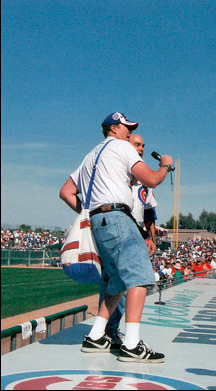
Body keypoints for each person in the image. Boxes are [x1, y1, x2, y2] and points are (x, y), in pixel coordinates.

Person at [59, 111, 173, 363]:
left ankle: (96, 335)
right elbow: (152, 180)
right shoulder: (122, 148)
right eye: (126, 127)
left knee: (116, 283)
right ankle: (132, 345)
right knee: (140, 277)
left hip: (97, 221)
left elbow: (66, 191)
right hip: (118, 217)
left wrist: (91, 211)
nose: (129, 132)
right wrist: (165, 164)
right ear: (113, 128)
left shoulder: (91, 155)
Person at [101, 133, 158, 348]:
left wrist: (152, 239)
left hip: (136, 235)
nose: (141, 148)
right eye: (137, 144)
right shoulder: (113, 173)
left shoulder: (144, 182)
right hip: (117, 231)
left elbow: (150, 212)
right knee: (115, 284)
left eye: (143, 145)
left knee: (125, 285)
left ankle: (109, 332)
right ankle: (111, 333)